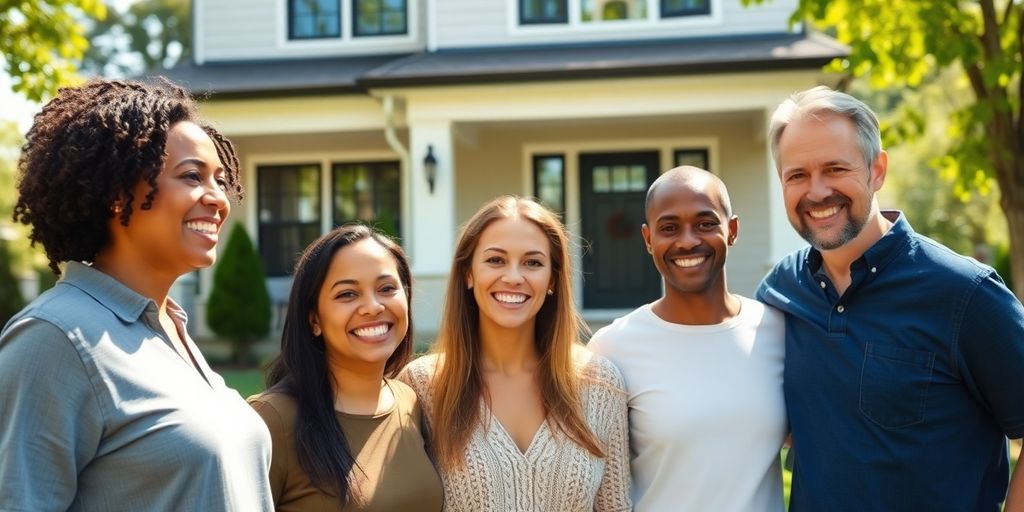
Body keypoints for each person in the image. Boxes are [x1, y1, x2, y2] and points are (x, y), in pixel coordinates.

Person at [0, 78, 272, 510]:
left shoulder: (170, 329)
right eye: (191, 176)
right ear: (116, 195)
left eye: (220, 180)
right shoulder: (54, 338)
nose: (218, 198)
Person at [757, 85, 1024, 511]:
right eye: (798, 175)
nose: (818, 191)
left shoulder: (964, 294)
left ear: (877, 170)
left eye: (835, 168)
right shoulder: (780, 293)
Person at [399, 196, 631, 512]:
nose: (513, 277)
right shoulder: (422, 385)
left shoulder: (602, 383)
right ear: (468, 273)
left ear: (552, 280)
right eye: (495, 260)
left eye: (533, 263)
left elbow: (615, 507)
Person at [588, 166, 787, 511]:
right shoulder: (612, 348)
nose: (688, 240)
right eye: (669, 228)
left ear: (733, 230)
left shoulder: (778, 330)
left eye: (706, 223)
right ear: (649, 240)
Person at [249, 225, 443, 511]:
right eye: (347, 294)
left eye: (387, 288)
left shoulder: (409, 401)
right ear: (314, 319)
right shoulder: (271, 420)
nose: (373, 306)